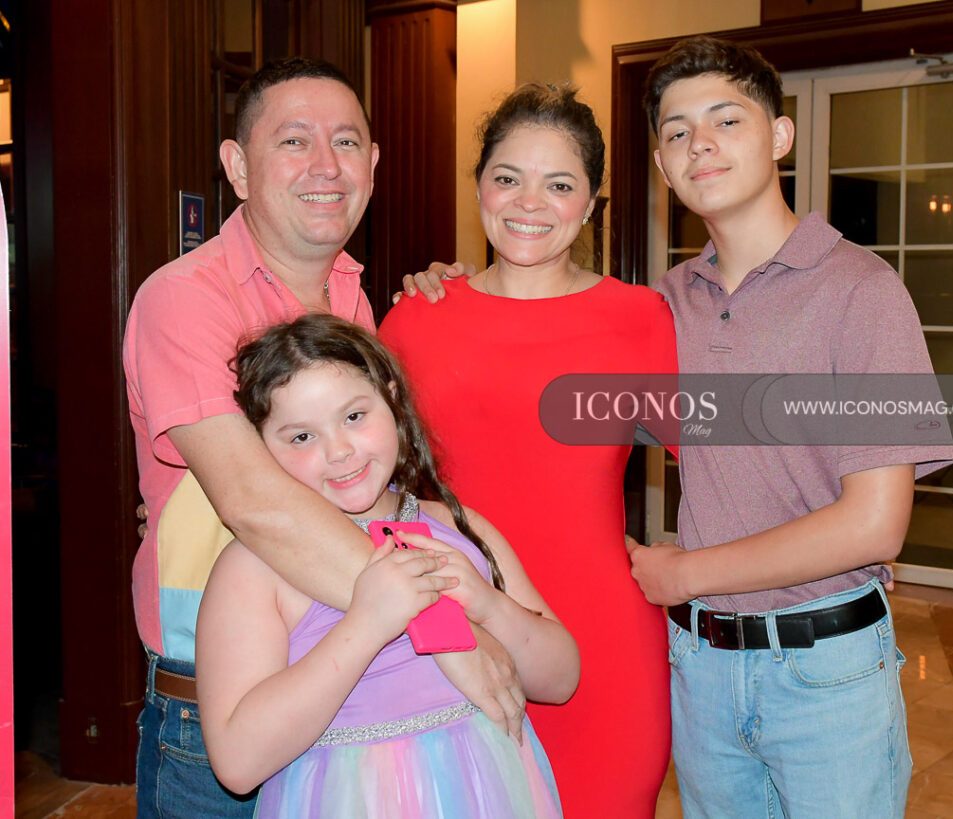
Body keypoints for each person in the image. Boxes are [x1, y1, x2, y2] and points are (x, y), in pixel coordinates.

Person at [123, 57, 523, 818]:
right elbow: (256, 503)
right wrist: (445, 632)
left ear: (372, 165)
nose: (326, 165)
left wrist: (453, 304)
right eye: (294, 140)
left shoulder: (356, 300)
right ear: (238, 167)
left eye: (346, 142)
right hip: (229, 712)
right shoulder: (185, 298)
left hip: (367, 698)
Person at [626, 36, 953, 818]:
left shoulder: (863, 291)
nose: (700, 144)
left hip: (825, 672)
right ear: (662, 165)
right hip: (702, 670)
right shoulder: (664, 304)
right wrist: (462, 285)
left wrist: (685, 573)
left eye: (726, 120)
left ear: (779, 135)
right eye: (677, 132)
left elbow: (876, 524)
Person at [378, 83, 679, 818]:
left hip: (606, 646)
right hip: (451, 637)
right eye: (508, 177)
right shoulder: (415, 319)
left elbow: (729, 466)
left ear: (593, 202)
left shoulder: (640, 319)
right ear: (479, 185)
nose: (529, 203)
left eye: (560, 184)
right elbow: (352, 473)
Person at [196, 314, 576, 817]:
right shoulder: (253, 569)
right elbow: (238, 762)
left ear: (392, 401)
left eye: (354, 416)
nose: (339, 451)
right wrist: (367, 623)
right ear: (259, 448)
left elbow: (561, 679)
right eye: (301, 437)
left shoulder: (459, 528)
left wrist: (489, 606)